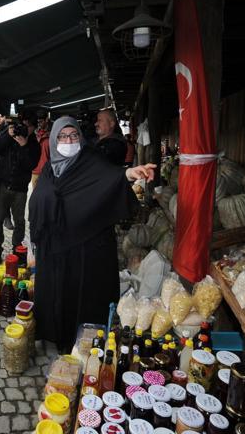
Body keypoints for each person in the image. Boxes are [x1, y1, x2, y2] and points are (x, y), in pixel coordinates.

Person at [29, 116, 155, 352]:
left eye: (73, 135)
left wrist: (130, 174)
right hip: (56, 247)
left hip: (85, 245)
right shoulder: (49, 168)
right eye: (63, 136)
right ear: (55, 139)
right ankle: (54, 333)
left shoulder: (91, 160)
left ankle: (83, 341)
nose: (69, 140)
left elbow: (110, 177)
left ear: (80, 137)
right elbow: (39, 199)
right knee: (58, 292)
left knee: (81, 294)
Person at [0, 112, 41, 264]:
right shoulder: (10, 136)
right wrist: (8, 134)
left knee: (19, 221)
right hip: (2, 185)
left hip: (20, 189)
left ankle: (17, 250)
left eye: (28, 126)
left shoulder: (33, 145)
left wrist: (24, 145)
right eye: (23, 124)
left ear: (33, 128)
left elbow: (31, 165)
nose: (25, 128)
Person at [31, 109, 51, 191]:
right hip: (35, 172)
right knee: (35, 198)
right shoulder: (33, 134)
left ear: (46, 120)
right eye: (37, 122)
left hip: (47, 172)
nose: (39, 124)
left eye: (41, 122)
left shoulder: (52, 134)